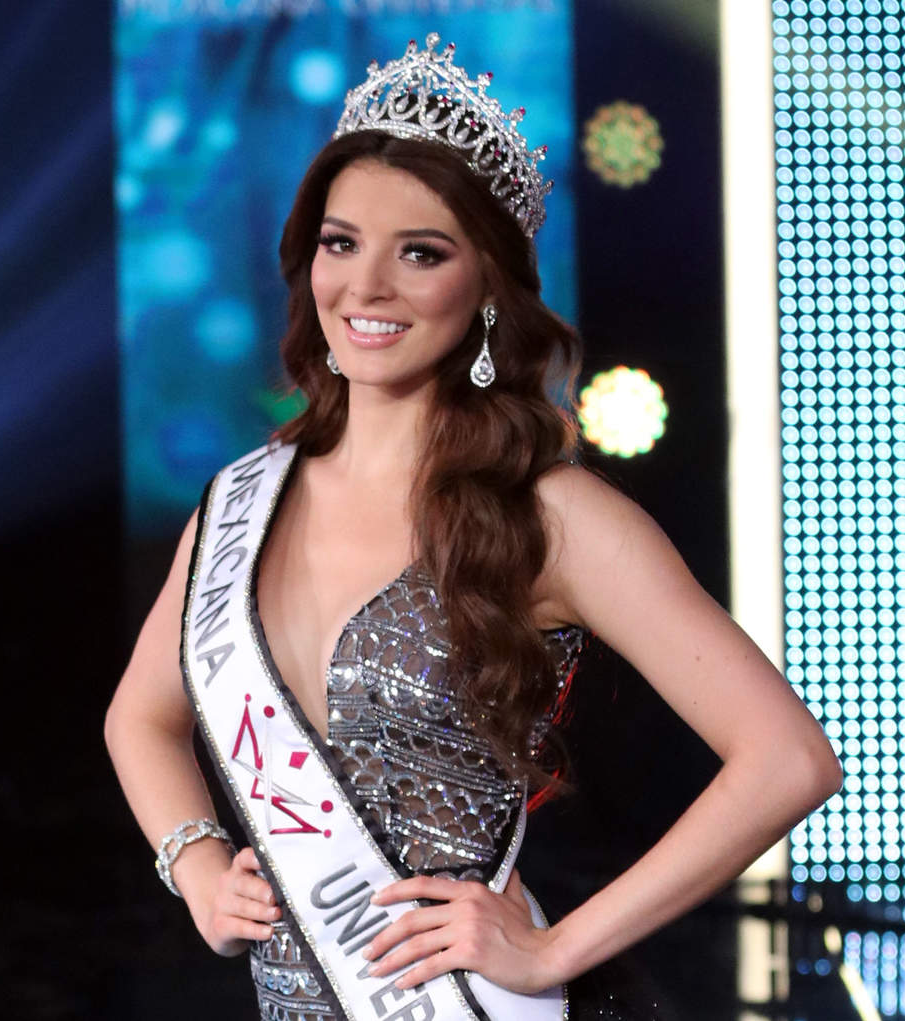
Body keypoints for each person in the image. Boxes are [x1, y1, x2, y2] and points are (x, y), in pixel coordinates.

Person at [105, 33, 842, 1020]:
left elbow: (788, 759)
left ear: (488, 284)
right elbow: (139, 716)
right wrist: (196, 862)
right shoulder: (241, 500)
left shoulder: (551, 516)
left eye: (420, 252)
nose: (366, 285)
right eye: (340, 242)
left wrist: (553, 948)